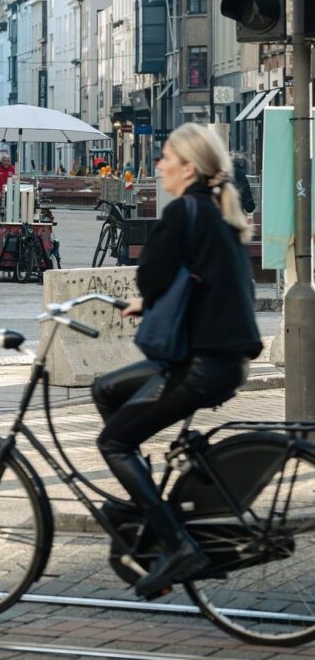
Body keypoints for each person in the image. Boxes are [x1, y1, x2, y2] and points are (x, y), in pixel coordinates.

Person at [91, 123, 262, 599]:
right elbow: (200, 281)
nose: (159, 164)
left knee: (114, 442)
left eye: (167, 157)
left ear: (188, 168)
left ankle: (177, 544)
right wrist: (149, 302)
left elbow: (152, 274)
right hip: (219, 360)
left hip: (200, 366)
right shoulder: (217, 213)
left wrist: (146, 295)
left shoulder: (184, 212)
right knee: (106, 389)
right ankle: (145, 503)